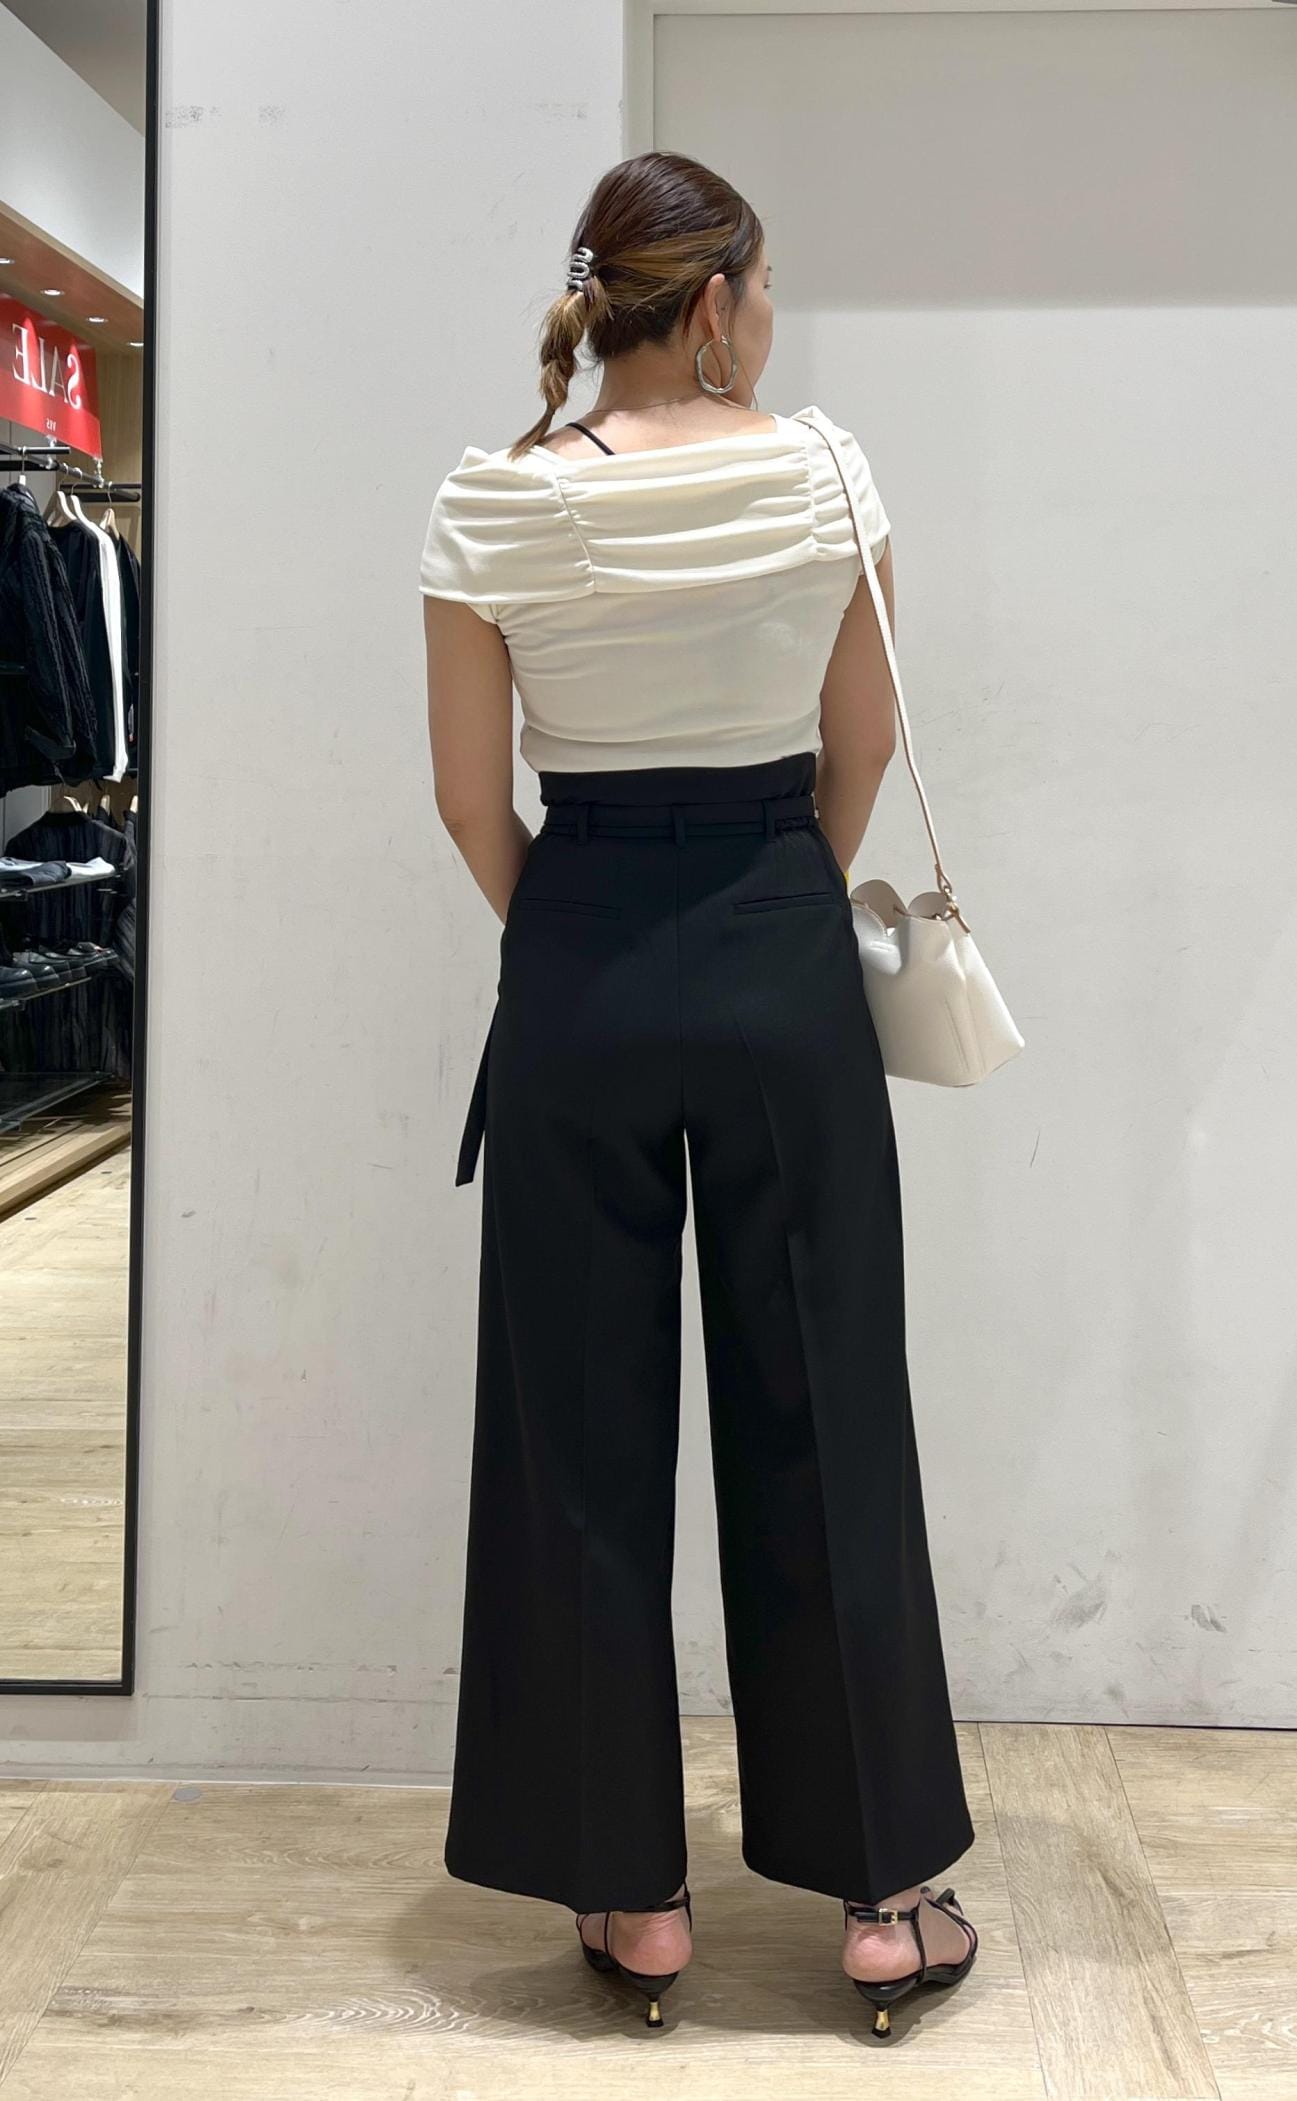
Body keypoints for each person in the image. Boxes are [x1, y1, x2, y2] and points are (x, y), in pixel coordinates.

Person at [419, 148, 978, 2039]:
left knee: (575, 1423)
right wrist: (772, 914)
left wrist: (584, 935)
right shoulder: (826, 475)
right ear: (720, 298)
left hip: (578, 943)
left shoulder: (496, 498)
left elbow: (468, 798)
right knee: (828, 1402)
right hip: (775, 937)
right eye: (770, 286)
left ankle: (630, 1891)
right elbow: (863, 741)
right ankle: (886, 1897)